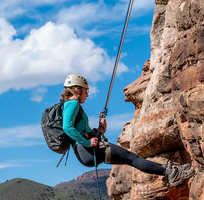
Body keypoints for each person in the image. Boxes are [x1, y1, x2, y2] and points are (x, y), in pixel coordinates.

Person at [59, 74, 195, 186]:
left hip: (85, 153)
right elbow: (67, 128)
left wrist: (100, 130)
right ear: (78, 90)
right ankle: (171, 173)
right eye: (85, 91)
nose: (87, 95)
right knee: (133, 158)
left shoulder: (69, 105)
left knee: (131, 160)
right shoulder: (73, 103)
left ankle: (170, 171)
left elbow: (83, 131)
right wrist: (87, 143)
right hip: (87, 150)